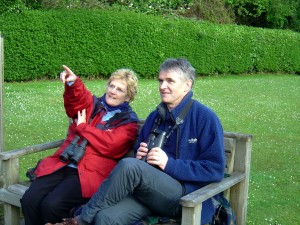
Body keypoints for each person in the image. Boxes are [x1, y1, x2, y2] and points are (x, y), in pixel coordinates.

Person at [54, 58, 225, 225]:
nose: (162, 86)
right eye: (161, 80)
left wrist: (169, 164)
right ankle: (87, 217)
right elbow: (138, 156)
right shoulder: (156, 116)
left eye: (170, 81)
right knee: (105, 218)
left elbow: (215, 169)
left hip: (184, 196)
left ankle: (81, 219)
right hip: (148, 192)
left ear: (187, 84)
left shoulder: (204, 118)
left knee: (130, 166)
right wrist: (140, 155)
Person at [20, 65, 139, 225]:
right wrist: (73, 83)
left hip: (89, 174)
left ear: (128, 97)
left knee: (52, 205)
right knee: (29, 199)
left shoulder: (128, 121)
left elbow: (111, 145)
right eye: (111, 86)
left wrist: (83, 127)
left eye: (120, 90)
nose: (112, 91)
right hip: (64, 162)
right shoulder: (94, 104)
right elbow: (77, 100)